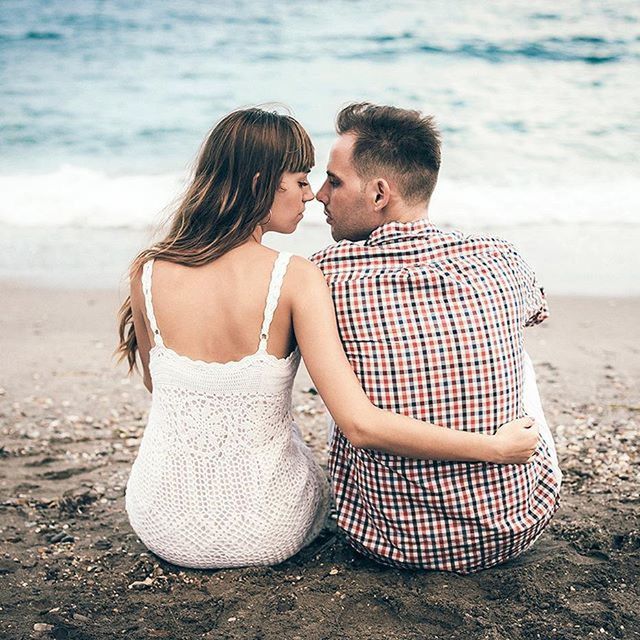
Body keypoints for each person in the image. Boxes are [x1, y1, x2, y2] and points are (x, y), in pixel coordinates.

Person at [116, 107, 539, 570]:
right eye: (300, 179)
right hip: (268, 528)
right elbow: (358, 423)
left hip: (160, 519)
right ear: (261, 183)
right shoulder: (296, 276)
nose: (311, 194)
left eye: (321, 181)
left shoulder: (149, 270)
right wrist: (496, 448)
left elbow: (162, 389)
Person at [312, 103, 562, 574]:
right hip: (518, 525)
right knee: (515, 352)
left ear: (380, 193)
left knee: (334, 354)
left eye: (335, 181)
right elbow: (537, 312)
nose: (320, 194)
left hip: (390, 540)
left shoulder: (324, 273)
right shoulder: (499, 256)